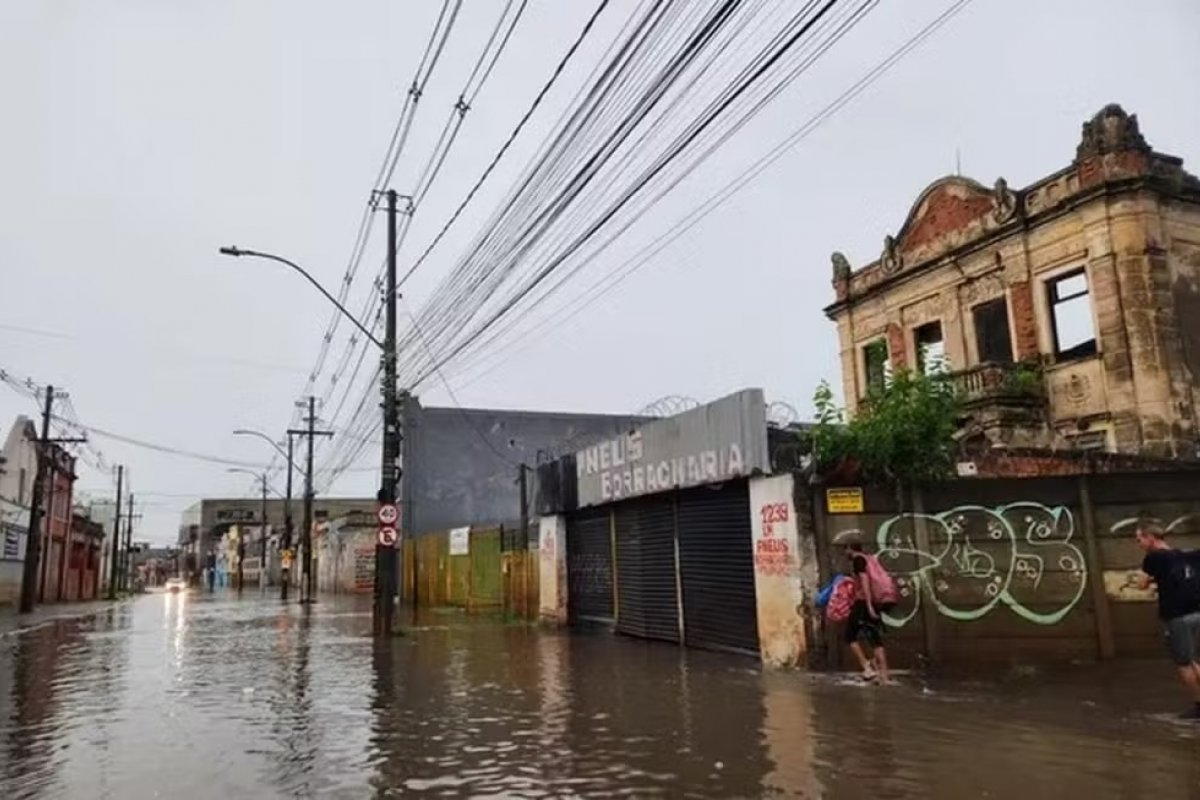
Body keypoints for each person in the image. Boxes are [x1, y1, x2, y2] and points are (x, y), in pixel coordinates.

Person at [1135, 519, 1200, 720]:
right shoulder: (1186, 556)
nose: (1138, 544)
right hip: (1197, 613)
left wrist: (1150, 579)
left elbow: (1141, 585)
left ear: (1151, 538)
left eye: (1139, 539)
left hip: (1176, 616)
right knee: (1194, 660)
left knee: (1183, 664)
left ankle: (1199, 706)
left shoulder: (1153, 558)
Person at [837, 533, 898, 684]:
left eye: (846, 549)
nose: (845, 552)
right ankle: (884, 674)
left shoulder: (858, 560)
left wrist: (869, 605)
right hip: (871, 602)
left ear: (851, 548)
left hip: (863, 602)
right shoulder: (868, 559)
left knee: (850, 636)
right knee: (874, 637)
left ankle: (867, 667)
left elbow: (865, 583)